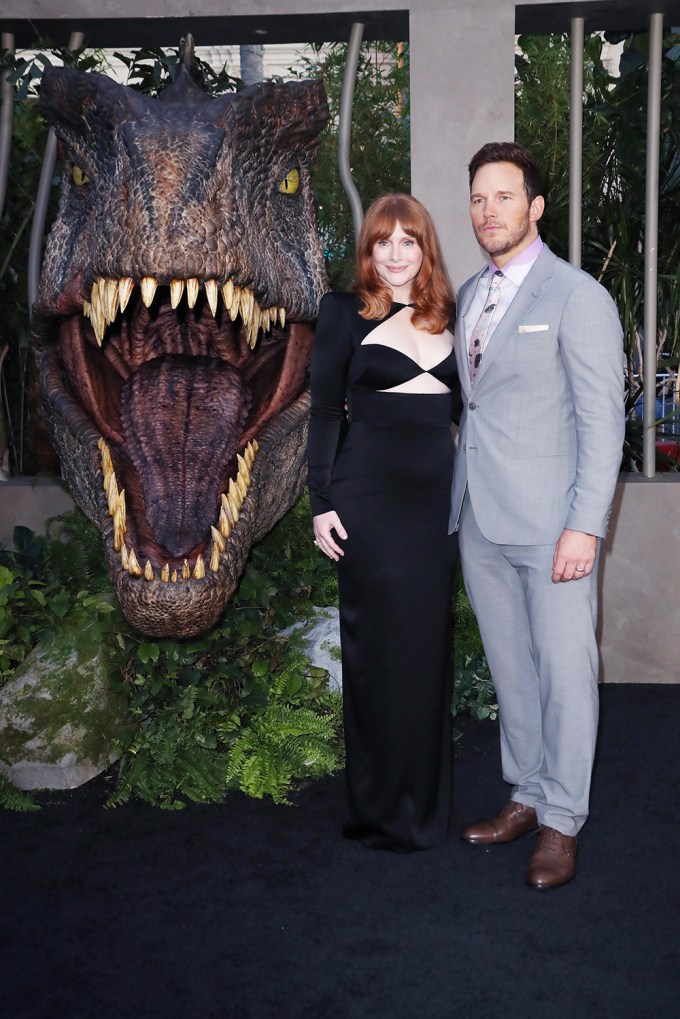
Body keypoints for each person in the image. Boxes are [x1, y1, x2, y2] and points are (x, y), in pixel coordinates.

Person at [450, 142, 625, 889]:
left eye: (504, 197)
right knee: (513, 671)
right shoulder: (466, 293)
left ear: (536, 206)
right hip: (482, 521)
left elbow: (603, 418)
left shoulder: (576, 295)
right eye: (479, 199)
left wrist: (585, 525)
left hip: (554, 524)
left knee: (565, 673)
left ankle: (562, 819)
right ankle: (525, 791)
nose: (490, 212)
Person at [307, 194, 459, 852]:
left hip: (435, 508)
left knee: (426, 653)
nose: (396, 255)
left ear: (426, 248)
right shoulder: (343, 314)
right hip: (366, 500)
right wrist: (320, 501)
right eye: (382, 243)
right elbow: (321, 414)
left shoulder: (453, 314)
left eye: (409, 241)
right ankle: (376, 809)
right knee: (376, 654)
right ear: (367, 252)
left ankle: (423, 805)